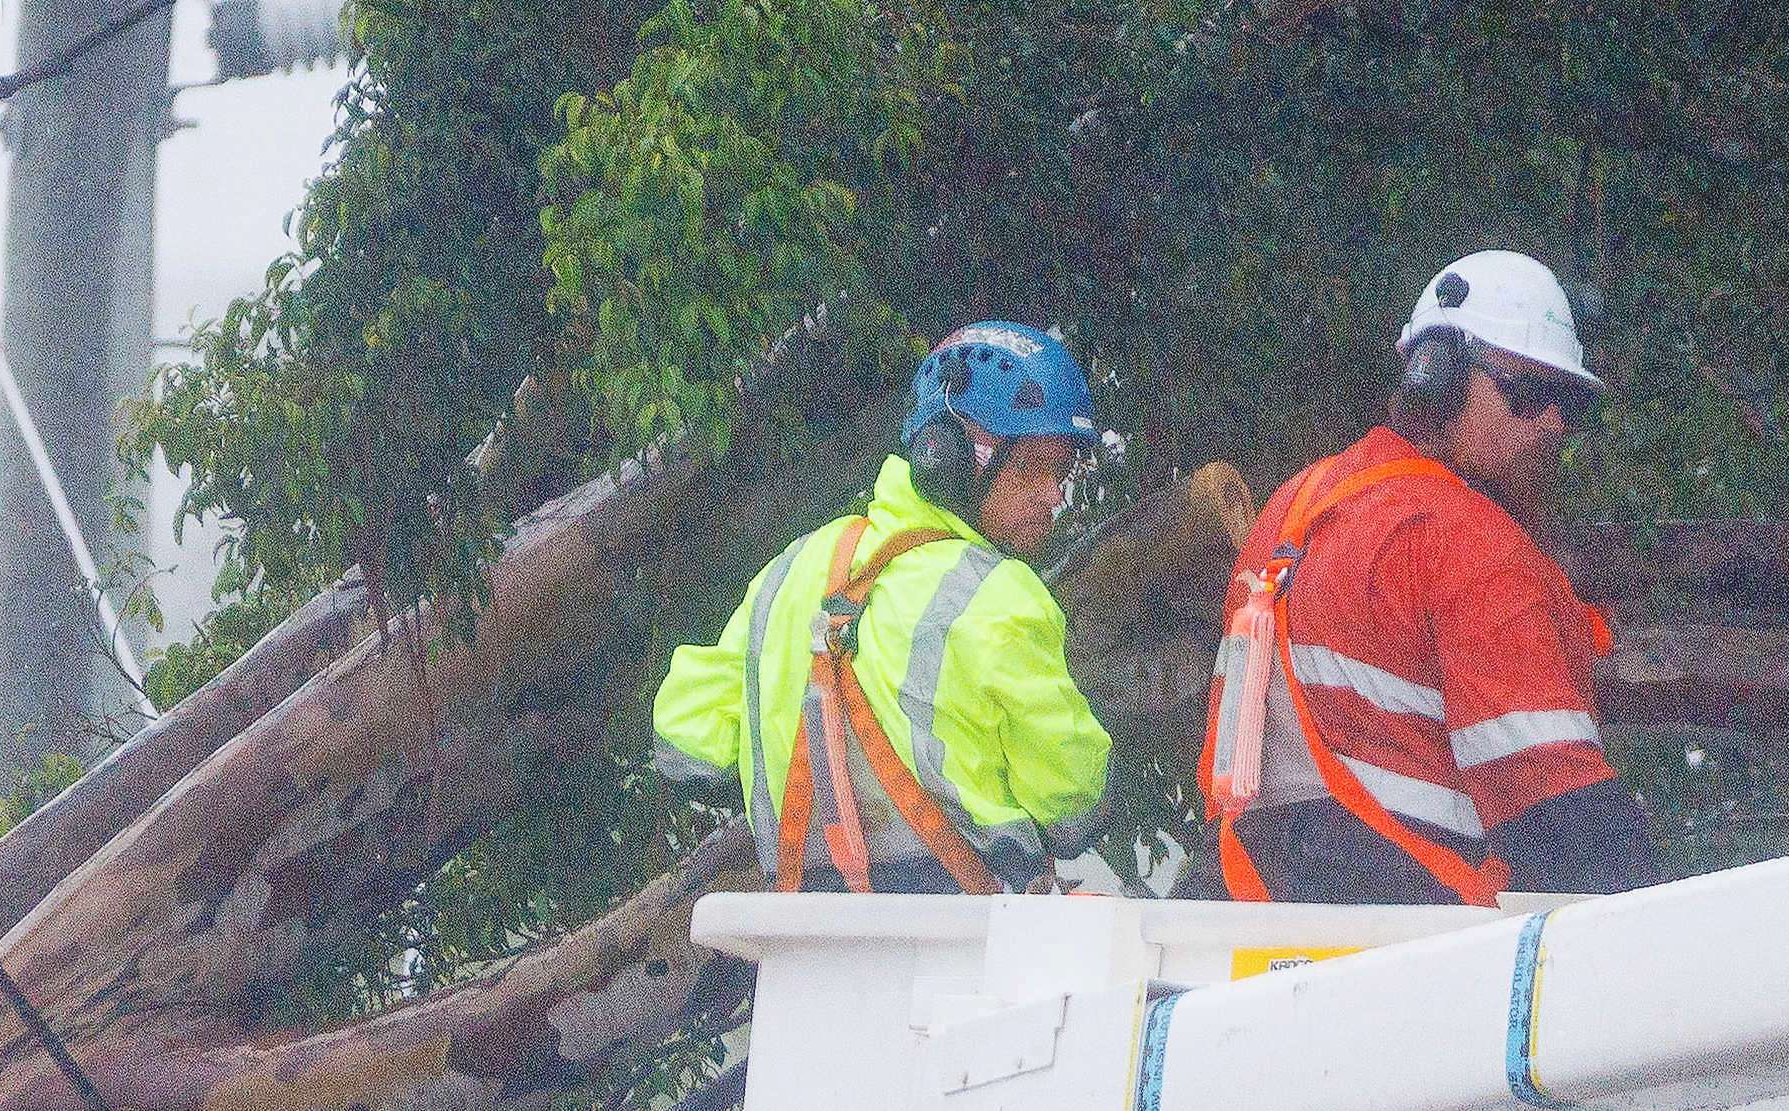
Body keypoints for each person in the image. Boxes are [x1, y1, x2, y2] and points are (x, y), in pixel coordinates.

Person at [1203, 250, 1658, 903]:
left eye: (1569, 404)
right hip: (1413, 922)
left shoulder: (1293, 507)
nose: (1555, 423)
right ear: (1437, 380)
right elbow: (1562, 817)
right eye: (1531, 395)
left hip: (1248, 897)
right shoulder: (1470, 542)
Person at [657, 323, 1118, 894]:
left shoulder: (795, 568)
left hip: (808, 939)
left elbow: (685, 732)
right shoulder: (1002, 594)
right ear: (947, 455)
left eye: (1061, 472)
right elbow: (1069, 798)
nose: (1052, 495)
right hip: (964, 940)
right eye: (1031, 468)